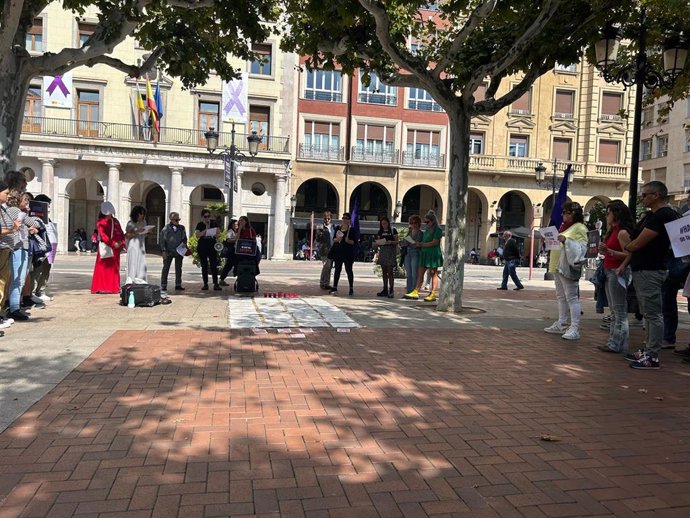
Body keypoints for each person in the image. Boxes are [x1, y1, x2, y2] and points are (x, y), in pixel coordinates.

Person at [618, 181, 679, 369]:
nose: (642, 198)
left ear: (657, 195)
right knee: (648, 313)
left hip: (651, 269)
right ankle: (648, 350)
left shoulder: (663, 215)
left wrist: (627, 245)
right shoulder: (651, 215)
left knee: (653, 314)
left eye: (645, 195)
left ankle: (652, 355)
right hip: (644, 268)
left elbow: (638, 243)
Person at [543, 201, 588, 340]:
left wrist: (566, 241)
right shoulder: (565, 226)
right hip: (558, 265)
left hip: (568, 266)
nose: (562, 215)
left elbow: (583, 247)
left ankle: (575, 327)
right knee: (561, 296)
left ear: (573, 214)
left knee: (572, 297)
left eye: (565, 212)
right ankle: (562, 322)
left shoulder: (580, 227)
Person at [596, 200, 634, 353]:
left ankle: (617, 343)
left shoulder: (622, 233)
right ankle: (614, 341)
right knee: (614, 309)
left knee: (618, 310)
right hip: (609, 269)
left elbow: (629, 254)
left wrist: (611, 252)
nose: (606, 216)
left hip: (617, 271)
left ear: (615, 214)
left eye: (608, 213)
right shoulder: (612, 231)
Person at [405, 209, 443, 302]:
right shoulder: (427, 229)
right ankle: (416, 291)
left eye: (427, 221)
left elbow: (435, 242)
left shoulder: (438, 230)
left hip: (433, 253)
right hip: (425, 253)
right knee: (420, 273)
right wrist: (419, 244)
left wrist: (421, 244)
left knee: (433, 273)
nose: (426, 223)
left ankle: (433, 293)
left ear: (432, 221)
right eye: (425, 222)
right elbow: (424, 240)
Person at [91, 201, 126, 294]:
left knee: (114, 268)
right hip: (107, 247)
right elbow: (103, 236)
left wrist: (121, 242)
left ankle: (113, 287)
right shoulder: (101, 222)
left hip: (115, 248)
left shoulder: (115, 221)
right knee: (102, 268)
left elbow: (120, 233)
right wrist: (113, 243)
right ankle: (100, 287)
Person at [0, 179, 20, 330]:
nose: (7, 196)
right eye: (5, 193)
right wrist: (13, 229)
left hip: (5, 249)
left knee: (3, 283)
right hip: (2, 248)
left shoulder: (3, 209)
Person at [32, 194, 56, 303]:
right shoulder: (34, 218)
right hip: (40, 249)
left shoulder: (48, 219)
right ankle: (32, 292)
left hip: (50, 248)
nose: (49, 208)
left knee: (46, 270)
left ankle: (41, 291)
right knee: (37, 270)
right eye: (47, 205)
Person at [160, 212, 188, 292]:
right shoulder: (166, 228)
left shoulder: (182, 228)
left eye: (178, 219)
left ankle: (178, 284)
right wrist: (163, 251)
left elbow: (184, 238)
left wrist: (184, 244)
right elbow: (162, 240)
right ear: (171, 219)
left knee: (179, 268)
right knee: (166, 268)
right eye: (175, 219)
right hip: (169, 251)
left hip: (179, 251)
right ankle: (164, 285)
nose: (177, 221)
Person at [328, 212, 355, 296]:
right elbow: (334, 239)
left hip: (348, 253)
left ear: (349, 220)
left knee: (349, 270)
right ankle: (335, 286)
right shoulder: (338, 228)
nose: (344, 219)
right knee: (337, 270)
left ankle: (351, 287)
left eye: (346, 218)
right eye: (343, 218)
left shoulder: (351, 229)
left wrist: (348, 241)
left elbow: (353, 242)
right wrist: (338, 239)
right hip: (338, 252)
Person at [195, 209, 221, 290]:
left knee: (213, 265)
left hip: (212, 246)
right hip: (203, 246)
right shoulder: (200, 224)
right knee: (204, 266)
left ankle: (216, 283)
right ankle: (205, 284)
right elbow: (197, 235)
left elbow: (218, 234)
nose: (207, 218)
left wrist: (215, 233)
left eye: (208, 216)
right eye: (205, 216)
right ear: (202, 217)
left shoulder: (214, 223)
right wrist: (206, 229)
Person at [124, 205, 149, 284]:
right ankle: (131, 280)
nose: (142, 216)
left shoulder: (144, 222)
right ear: (136, 214)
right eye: (141, 214)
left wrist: (147, 232)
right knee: (133, 262)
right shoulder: (130, 223)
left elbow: (144, 234)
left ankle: (141, 280)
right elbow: (127, 235)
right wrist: (137, 231)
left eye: (143, 214)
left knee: (141, 263)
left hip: (141, 245)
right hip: (133, 245)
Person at [376, 215, 399, 298]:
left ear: (388, 223)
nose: (384, 225)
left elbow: (397, 241)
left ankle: (391, 289)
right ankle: (385, 289)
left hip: (390, 251)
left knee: (390, 271)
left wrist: (390, 242)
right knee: (384, 271)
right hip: (383, 251)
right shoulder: (380, 231)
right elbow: (378, 242)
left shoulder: (393, 230)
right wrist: (379, 242)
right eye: (382, 224)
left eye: (385, 223)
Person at [402, 215, 423, 296]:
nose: (413, 224)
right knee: (409, 273)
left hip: (415, 253)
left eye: (415, 223)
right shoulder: (409, 232)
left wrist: (412, 242)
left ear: (418, 223)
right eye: (411, 223)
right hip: (408, 253)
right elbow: (404, 242)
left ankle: (414, 291)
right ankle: (409, 291)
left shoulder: (421, 233)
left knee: (415, 273)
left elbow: (417, 244)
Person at [317, 211, 335, 290]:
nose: (327, 220)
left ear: (331, 219)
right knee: (326, 265)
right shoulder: (320, 227)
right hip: (324, 250)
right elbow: (318, 239)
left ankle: (326, 283)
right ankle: (322, 283)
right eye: (325, 218)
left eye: (328, 218)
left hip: (332, 250)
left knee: (329, 267)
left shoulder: (334, 227)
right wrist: (320, 233)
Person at [219, 219, 238, 286]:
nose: (237, 225)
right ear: (232, 225)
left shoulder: (236, 231)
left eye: (237, 224)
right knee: (230, 265)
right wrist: (236, 240)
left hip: (235, 251)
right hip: (231, 251)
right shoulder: (230, 231)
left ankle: (222, 279)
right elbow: (229, 240)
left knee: (229, 265)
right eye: (235, 224)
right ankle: (222, 279)